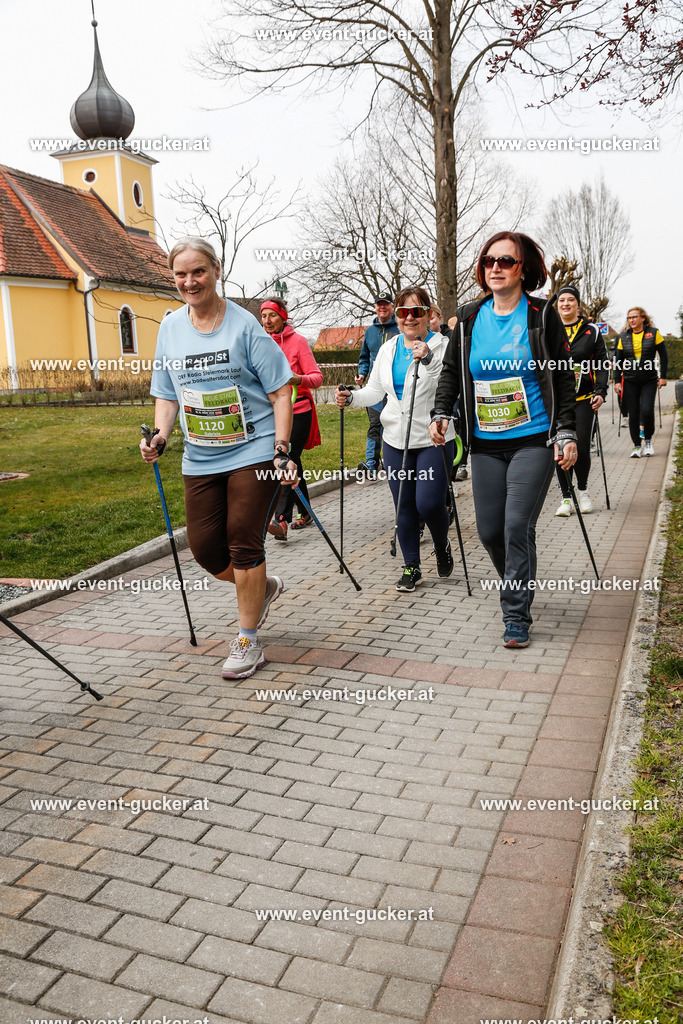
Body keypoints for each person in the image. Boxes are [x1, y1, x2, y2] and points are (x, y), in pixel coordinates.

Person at [139, 237, 299, 680]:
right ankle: (261, 588)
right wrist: (160, 436)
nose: (189, 281)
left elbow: (282, 389)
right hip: (201, 455)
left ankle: (247, 640)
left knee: (243, 541)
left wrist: (282, 448)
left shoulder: (245, 325)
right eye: (180, 274)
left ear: (216, 270)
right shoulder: (170, 327)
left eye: (198, 272)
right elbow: (166, 393)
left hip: (254, 447)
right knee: (207, 549)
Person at [430, 231, 577, 649]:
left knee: (517, 525)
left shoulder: (542, 315)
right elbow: (452, 373)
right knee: (491, 532)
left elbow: (563, 379)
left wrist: (565, 430)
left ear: (523, 269)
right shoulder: (470, 317)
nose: (496, 267)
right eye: (489, 260)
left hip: (534, 438)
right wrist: (442, 412)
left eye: (506, 262)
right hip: (486, 442)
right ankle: (519, 578)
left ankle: (515, 613)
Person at [336, 286, 455, 592]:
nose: (410, 318)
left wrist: (427, 358)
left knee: (428, 504)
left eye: (417, 311)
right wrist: (350, 398)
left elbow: (445, 385)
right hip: (394, 440)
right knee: (404, 505)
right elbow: (375, 391)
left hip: (434, 438)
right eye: (404, 313)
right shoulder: (389, 349)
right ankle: (411, 567)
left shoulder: (442, 346)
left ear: (429, 314)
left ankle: (441, 544)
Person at [260, 297, 323, 540]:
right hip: (273, 412)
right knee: (292, 461)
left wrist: (298, 379)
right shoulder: (261, 343)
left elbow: (317, 378)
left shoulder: (297, 342)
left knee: (284, 459)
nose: (267, 321)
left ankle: (281, 520)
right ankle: (305, 512)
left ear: (283, 317)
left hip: (299, 410)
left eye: (272, 315)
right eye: (263, 316)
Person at [554, 285, 609, 516]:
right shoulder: (550, 329)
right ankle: (566, 498)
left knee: (582, 447)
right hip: (557, 400)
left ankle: (583, 491)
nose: (565, 304)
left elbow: (602, 363)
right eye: (561, 301)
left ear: (578, 304)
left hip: (584, 398)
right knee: (560, 447)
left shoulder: (592, 331)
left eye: (570, 300)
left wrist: (600, 391)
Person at [613, 307, 668, 458]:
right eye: (629, 317)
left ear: (643, 318)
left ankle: (648, 441)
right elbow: (618, 361)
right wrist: (617, 381)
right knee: (634, 414)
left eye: (635, 317)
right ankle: (637, 446)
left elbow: (663, 355)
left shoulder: (653, 333)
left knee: (647, 410)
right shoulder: (623, 337)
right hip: (630, 380)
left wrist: (663, 376)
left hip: (649, 380)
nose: (631, 320)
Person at [355, 291, 399, 476]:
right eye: (379, 304)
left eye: (386, 304)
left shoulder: (399, 328)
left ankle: (394, 463)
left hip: (395, 386)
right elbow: (364, 358)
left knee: (394, 423)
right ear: (375, 307)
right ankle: (371, 464)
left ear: (392, 307)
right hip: (375, 386)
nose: (382, 307)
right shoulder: (370, 331)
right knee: (375, 424)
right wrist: (362, 374)